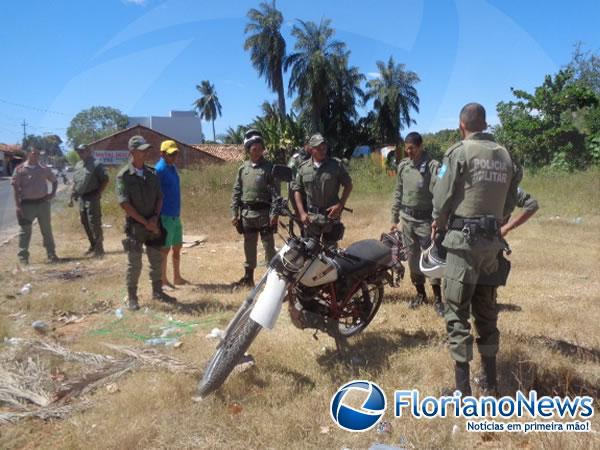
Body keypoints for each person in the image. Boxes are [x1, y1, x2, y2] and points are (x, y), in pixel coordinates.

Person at [431, 103, 520, 396]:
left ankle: (462, 391)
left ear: (461, 125)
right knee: (486, 312)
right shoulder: (505, 155)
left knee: (456, 313)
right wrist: (498, 221)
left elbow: (442, 197)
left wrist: (437, 223)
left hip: (463, 244)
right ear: (485, 124)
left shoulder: (458, 152)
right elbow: (510, 198)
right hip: (490, 246)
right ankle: (492, 384)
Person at [116, 135, 176, 310]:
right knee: (134, 263)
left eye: (147, 150)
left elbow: (160, 196)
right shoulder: (124, 176)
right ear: (132, 152)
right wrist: (145, 222)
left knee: (156, 260)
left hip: (153, 224)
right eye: (142, 150)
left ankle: (158, 292)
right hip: (136, 227)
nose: (145, 153)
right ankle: (132, 297)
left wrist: (155, 218)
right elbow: (124, 204)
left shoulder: (152, 173)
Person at [390, 132, 443, 315]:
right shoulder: (403, 166)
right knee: (412, 259)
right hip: (407, 220)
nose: (408, 151)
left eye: (412, 148)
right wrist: (394, 218)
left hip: (426, 221)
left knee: (431, 258)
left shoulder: (433, 166)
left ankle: (438, 299)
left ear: (421, 146)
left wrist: (438, 218)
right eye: (407, 148)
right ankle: (420, 294)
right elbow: (398, 192)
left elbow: (440, 193)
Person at [230, 130, 279, 287]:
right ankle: (248, 278)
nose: (258, 151)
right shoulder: (243, 169)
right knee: (249, 246)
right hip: (247, 215)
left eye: (260, 148)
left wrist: (274, 215)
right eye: (254, 148)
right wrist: (234, 214)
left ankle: (272, 279)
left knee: (269, 248)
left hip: (265, 215)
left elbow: (276, 195)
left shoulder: (270, 168)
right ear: (248, 150)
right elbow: (236, 192)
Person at [291, 133, 353, 248]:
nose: (322, 150)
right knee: (310, 252)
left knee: (331, 253)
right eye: (318, 148)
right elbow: (297, 190)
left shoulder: (335, 165)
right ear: (311, 150)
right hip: (311, 219)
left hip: (331, 218)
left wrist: (340, 205)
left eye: (324, 148)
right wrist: (302, 213)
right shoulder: (303, 168)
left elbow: (348, 185)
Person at [11, 144, 59, 265]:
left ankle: (51, 254)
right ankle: (23, 259)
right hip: (27, 205)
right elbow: (16, 189)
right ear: (28, 154)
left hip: (43, 204)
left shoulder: (44, 168)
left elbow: (54, 180)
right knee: (25, 231)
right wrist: (17, 206)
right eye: (34, 153)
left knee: (47, 230)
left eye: (38, 154)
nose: (36, 155)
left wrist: (52, 193)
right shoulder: (20, 169)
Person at [156, 140, 188, 288]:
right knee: (164, 249)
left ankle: (177, 277)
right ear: (162, 154)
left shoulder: (172, 167)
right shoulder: (159, 170)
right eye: (171, 154)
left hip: (175, 215)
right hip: (165, 215)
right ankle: (163, 279)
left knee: (177, 246)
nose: (174, 156)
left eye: (175, 153)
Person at [69, 144, 109, 257]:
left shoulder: (96, 164)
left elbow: (105, 180)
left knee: (94, 223)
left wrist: (98, 193)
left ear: (88, 151)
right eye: (78, 152)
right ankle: (93, 245)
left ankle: (99, 249)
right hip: (82, 198)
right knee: (85, 222)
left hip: (92, 198)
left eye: (82, 151)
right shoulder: (78, 165)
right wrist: (73, 194)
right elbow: (76, 181)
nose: (80, 153)